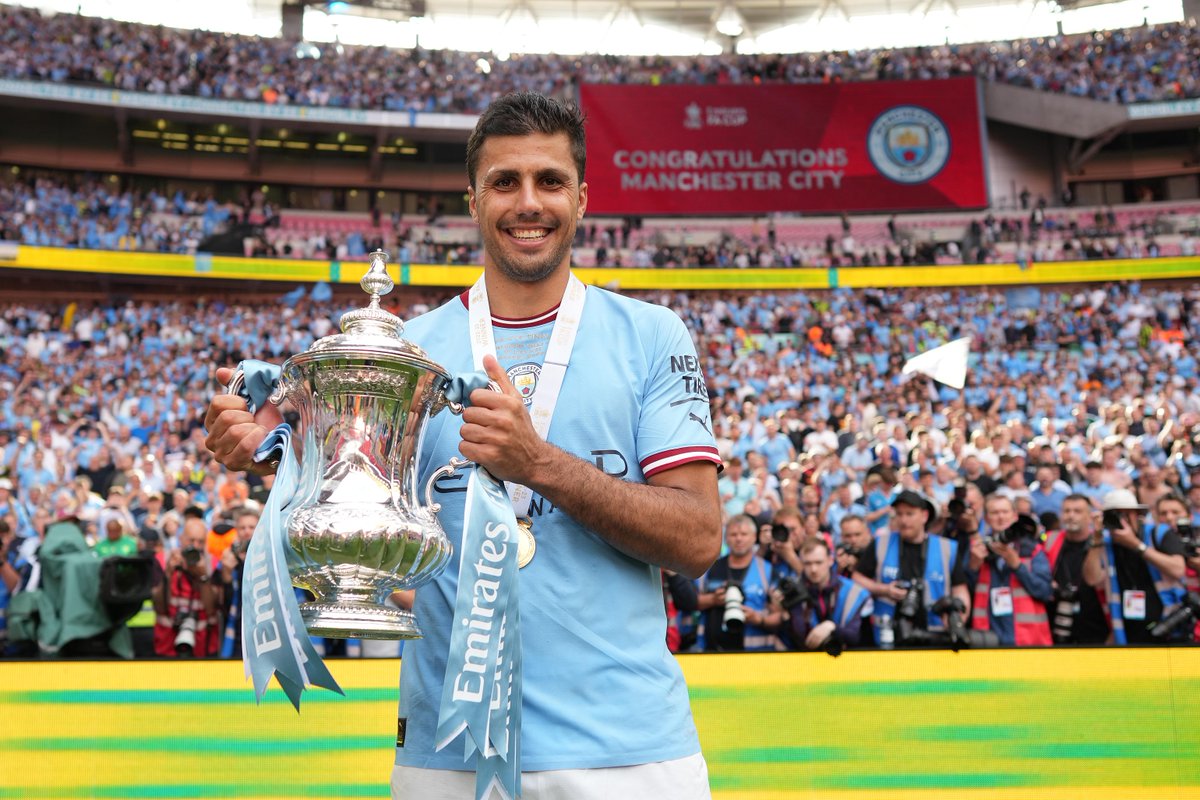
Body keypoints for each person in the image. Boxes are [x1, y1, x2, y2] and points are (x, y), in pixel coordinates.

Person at [204, 92, 721, 798]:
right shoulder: (404, 356)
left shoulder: (652, 336)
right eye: (505, 182)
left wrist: (537, 464)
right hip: (447, 752)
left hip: (627, 755)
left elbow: (696, 539)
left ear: (583, 197)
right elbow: (362, 530)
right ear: (473, 199)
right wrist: (281, 460)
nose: (528, 202)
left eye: (550, 181)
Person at [852, 490, 970, 647]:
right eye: (899, 514)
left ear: (924, 516)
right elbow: (857, 578)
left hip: (935, 634)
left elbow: (960, 590)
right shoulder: (880, 544)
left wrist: (958, 621)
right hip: (889, 635)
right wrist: (884, 590)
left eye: (909, 514)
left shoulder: (946, 548)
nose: (903, 520)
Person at [1084, 489, 1186, 644]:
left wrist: (1136, 545)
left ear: (1136, 514)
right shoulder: (1104, 542)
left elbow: (1178, 570)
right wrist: (1096, 538)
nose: (1120, 520)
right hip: (1127, 628)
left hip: (1169, 624)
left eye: (1126, 514)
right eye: (1115, 515)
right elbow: (1092, 579)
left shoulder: (1158, 533)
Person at [965, 496, 1053, 646]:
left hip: (1028, 640)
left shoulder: (1032, 550)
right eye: (995, 512)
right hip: (988, 638)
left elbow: (1045, 592)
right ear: (986, 518)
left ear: (1014, 516)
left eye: (1005, 512)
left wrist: (1017, 565)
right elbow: (966, 591)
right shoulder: (978, 550)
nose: (1001, 517)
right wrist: (973, 566)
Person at [698, 515, 778, 652]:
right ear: (726, 539)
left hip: (756, 654)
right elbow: (692, 602)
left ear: (754, 537)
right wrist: (713, 600)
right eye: (733, 534)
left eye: (744, 534)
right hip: (712, 654)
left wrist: (759, 619)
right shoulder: (710, 568)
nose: (739, 539)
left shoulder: (767, 570)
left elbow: (780, 615)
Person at [776, 536, 871, 652]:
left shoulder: (854, 591)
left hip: (846, 661)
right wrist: (784, 614)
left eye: (818, 562)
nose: (813, 569)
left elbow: (855, 637)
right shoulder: (792, 590)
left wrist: (831, 627)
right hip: (806, 661)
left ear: (830, 560)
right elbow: (798, 637)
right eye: (808, 563)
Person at [1042, 494, 1109, 644]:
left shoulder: (1101, 542)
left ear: (1089, 516)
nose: (1071, 516)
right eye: (1067, 511)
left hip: (1093, 622)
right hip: (1056, 619)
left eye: (1077, 511)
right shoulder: (1050, 539)